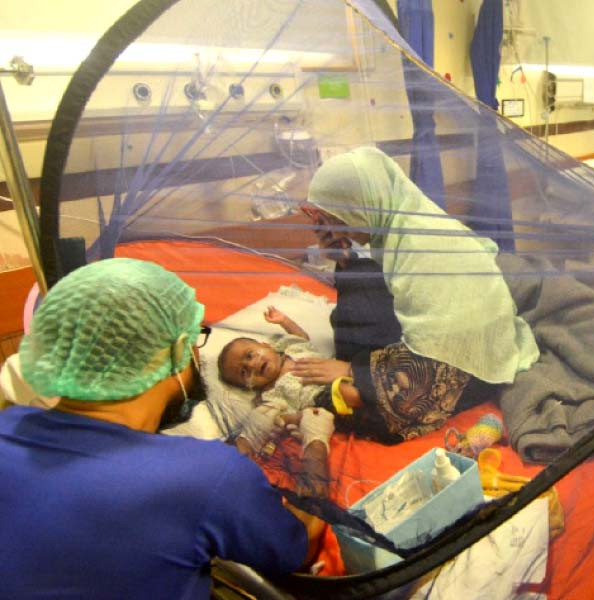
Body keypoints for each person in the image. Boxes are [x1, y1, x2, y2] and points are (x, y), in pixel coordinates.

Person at [0, 258, 331, 598]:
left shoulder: (7, 426)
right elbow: (295, 548)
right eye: (197, 340)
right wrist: (316, 443)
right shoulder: (206, 475)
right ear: (177, 350)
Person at [291, 146, 540, 443]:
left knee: (378, 408)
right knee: (355, 282)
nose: (331, 227)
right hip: (467, 344)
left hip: (473, 367)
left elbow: (435, 346)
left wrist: (355, 372)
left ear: (363, 202)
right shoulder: (399, 224)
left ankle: (353, 392)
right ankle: (357, 388)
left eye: (336, 218)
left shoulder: (416, 245)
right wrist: (337, 253)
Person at [216, 306, 358, 457]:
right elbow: (277, 415)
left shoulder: (292, 348)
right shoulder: (271, 393)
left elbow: (301, 336)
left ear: (266, 346)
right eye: (244, 373)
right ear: (249, 386)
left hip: (342, 372)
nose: (252, 365)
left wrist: (284, 321)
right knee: (348, 392)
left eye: (249, 355)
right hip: (324, 401)